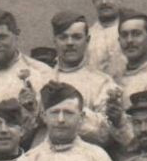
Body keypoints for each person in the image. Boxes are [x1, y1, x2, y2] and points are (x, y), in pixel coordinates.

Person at [43, 10, 121, 146]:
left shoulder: (102, 83)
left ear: (87, 40)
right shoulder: (41, 79)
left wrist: (70, 105)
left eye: (76, 37)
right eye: (63, 37)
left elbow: (107, 134)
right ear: (54, 41)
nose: (69, 43)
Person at [0, 7, 51, 134]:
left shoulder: (41, 72)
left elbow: (49, 121)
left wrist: (32, 109)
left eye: (2, 37)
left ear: (16, 35)